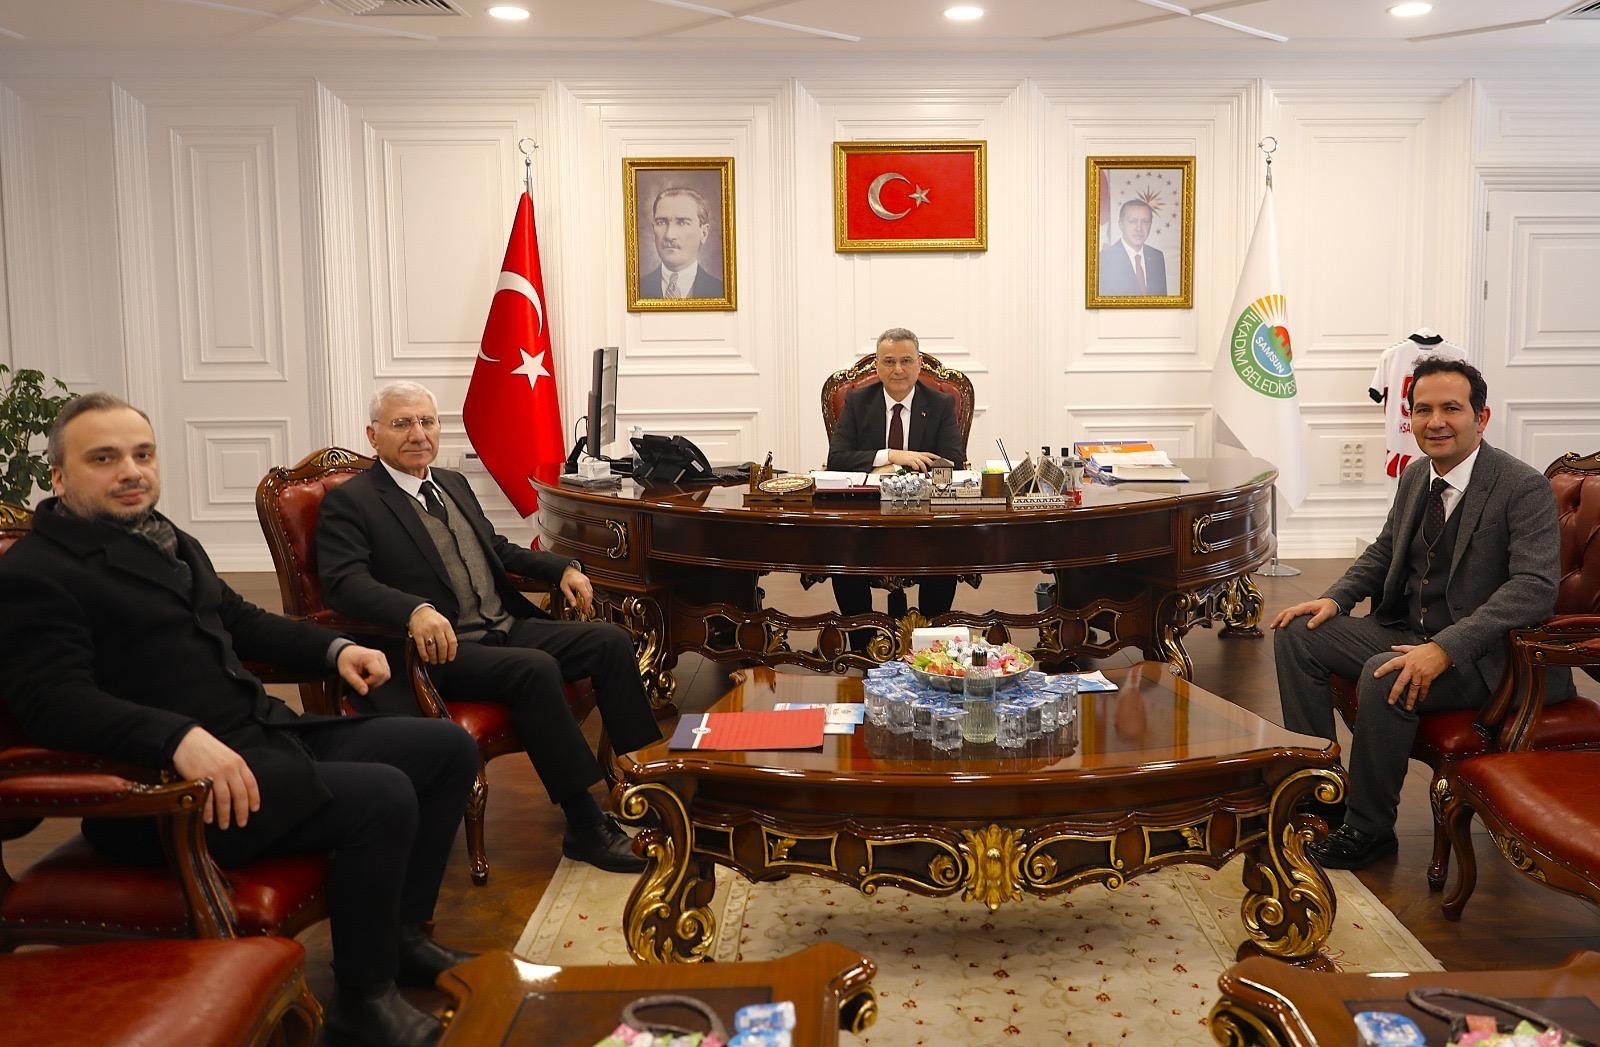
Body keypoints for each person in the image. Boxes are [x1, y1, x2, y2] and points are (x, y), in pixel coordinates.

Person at [0, 393, 478, 1047]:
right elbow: (53, 702)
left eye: (143, 454)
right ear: (58, 476)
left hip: (260, 738)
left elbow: (240, 620)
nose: (131, 471)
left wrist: (336, 650)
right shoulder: (36, 572)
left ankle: (402, 938)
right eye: (104, 459)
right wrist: (175, 737)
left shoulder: (164, 537)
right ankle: (364, 1000)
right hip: (170, 793)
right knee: (384, 794)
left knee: (446, 748)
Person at [316, 381, 662, 874]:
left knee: (610, 641)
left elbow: (495, 550)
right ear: (374, 435)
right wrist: (413, 610)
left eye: (427, 421)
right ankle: (585, 826)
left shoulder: (452, 483)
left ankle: (648, 786)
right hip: (440, 650)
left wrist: (560, 568)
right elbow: (344, 584)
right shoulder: (351, 502)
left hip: (503, 624)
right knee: (534, 669)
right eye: (402, 423)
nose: (418, 434)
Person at [1271, 358, 1569, 870]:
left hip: (1488, 660)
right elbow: (1385, 551)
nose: (1436, 421)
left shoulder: (1521, 487)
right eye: (1423, 409)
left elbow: (1534, 588)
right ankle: (1320, 793)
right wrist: (1336, 599)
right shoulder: (1416, 475)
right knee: (1298, 632)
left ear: (1481, 417)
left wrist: (1445, 648)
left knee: (1386, 672)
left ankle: (1369, 830)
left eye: (1451, 408)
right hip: (1407, 629)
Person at [826, 328, 967, 623]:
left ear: (919, 364)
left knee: (946, 552)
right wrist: (890, 455)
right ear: (877, 366)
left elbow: (952, 463)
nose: (898, 370)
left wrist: (892, 468)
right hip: (868, 518)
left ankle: (930, 637)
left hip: (925, 518)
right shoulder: (857, 401)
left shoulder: (940, 403)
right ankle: (862, 639)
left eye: (906, 361)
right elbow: (837, 459)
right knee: (842, 553)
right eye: (889, 361)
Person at [638, 186, 725, 299]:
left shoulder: (722, 292)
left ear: (704, 233)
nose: (669, 235)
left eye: (682, 223)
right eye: (661, 222)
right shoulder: (636, 290)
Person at [1097, 199, 1168, 297]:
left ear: (1150, 225)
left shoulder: (1157, 257)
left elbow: (1162, 301)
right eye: (1133, 221)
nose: (1139, 228)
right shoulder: (1104, 259)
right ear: (1121, 225)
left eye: (1145, 221)